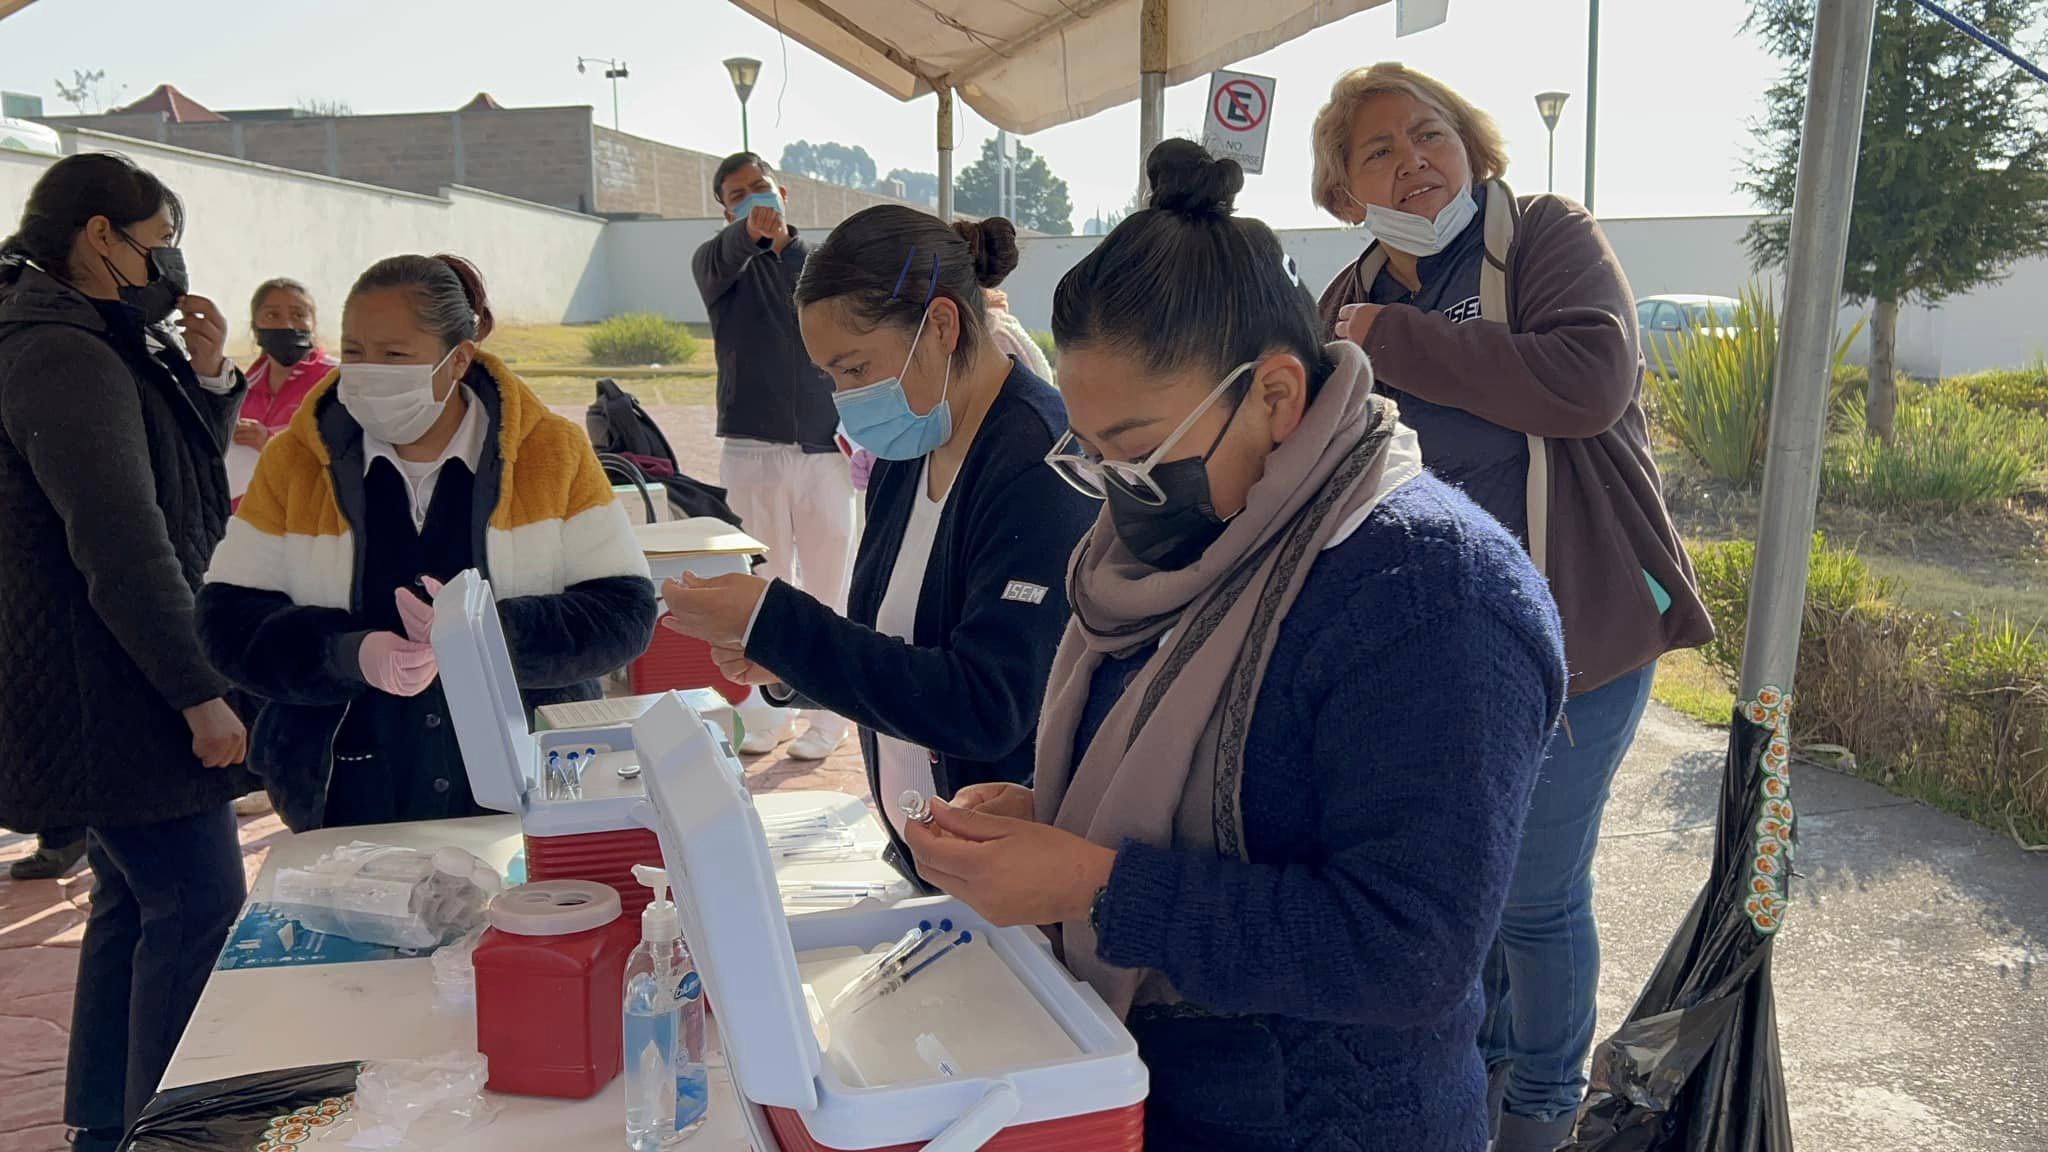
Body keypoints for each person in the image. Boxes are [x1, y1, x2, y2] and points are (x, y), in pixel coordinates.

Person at [898, 140, 1565, 1151]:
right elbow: (1224, 798)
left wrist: (1091, 883)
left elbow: (1408, 950)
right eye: (1094, 454)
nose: (1118, 489)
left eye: (1139, 450)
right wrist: (1051, 814)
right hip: (1161, 1092)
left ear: (1275, 397)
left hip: (1327, 1120)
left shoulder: (1433, 595)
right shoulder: (1195, 539)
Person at [1311, 63, 1713, 1151]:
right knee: (1464, 895)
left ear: (1474, 149)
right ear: (1343, 190)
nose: (1414, 161)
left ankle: (1539, 1113)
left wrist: (1389, 344)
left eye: (1430, 134)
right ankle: (1474, 1091)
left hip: (1575, 635)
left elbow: (1587, 380)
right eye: (1378, 150)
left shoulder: (1538, 239)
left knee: (1533, 896)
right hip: (1431, 657)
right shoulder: (1345, 295)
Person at [661, 207, 1094, 874]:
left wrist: (777, 624)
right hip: (927, 855)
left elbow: (988, 705)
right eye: (830, 377)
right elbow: (890, 650)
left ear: (943, 326)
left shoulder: (1040, 464)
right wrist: (789, 665)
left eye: (856, 368)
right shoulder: (911, 444)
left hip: (1009, 877)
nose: (845, 398)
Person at [199, 254, 658, 831]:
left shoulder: (550, 454)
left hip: (533, 786)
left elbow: (626, 612)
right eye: (357, 352)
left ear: (457, 359)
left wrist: (490, 638)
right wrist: (348, 653)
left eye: (394, 356)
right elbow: (226, 622)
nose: (366, 374)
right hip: (341, 791)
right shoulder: (295, 461)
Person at [0, 151, 250, 1151]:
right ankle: (169, 1135)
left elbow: (177, 464)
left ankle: (107, 1128)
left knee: (133, 901)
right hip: (109, 680)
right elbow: (119, 538)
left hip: (99, 672)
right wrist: (197, 691)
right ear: (97, 236)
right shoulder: (59, 350)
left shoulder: (86, 330)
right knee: (198, 904)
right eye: (156, 242)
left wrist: (208, 374)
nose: (169, 264)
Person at [694, 152, 855, 762]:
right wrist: (748, 236)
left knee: (827, 583)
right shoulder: (717, 263)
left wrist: (785, 248)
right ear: (724, 208)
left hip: (824, 451)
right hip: (750, 451)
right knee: (759, 585)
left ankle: (828, 714)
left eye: (760, 188)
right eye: (738, 194)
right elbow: (727, 253)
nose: (753, 200)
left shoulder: (817, 264)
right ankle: (760, 710)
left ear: (783, 190)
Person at [235, 276, 335, 450]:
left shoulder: (335, 378)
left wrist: (271, 441)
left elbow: (341, 446)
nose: (287, 325)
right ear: (255, 327)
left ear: (313, 324)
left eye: (298, 315)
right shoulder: (242, 389)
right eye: (272, 315)